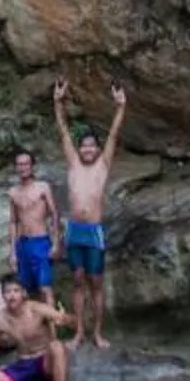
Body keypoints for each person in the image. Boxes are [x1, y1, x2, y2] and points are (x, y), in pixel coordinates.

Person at [55, 78, 128, 349]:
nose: (87, 149)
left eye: (91, 146)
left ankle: (97, 332)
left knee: (96, 282)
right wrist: (58, 102)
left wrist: (120, 107)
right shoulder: (74, 164)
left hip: (93, 232)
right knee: (77, 281)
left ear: (97, 149)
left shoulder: (102, 165)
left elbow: (113, 135)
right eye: (83, 145)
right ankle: (78, 333)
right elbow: (63, 133)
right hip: (75, 231)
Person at [4, 147, 58, 302]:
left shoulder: (43, 187)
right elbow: (13, 222)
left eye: (26, 164)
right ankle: (33, 318)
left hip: (41, 242)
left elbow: (54, 214)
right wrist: (13, 252)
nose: (23, 167)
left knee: (45, 287)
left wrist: (56, 243)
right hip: (23, 244)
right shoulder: (13, 192)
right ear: (16, 167)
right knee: (25, 289)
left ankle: (52, 317)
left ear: (32, 166)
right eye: (19, 164)